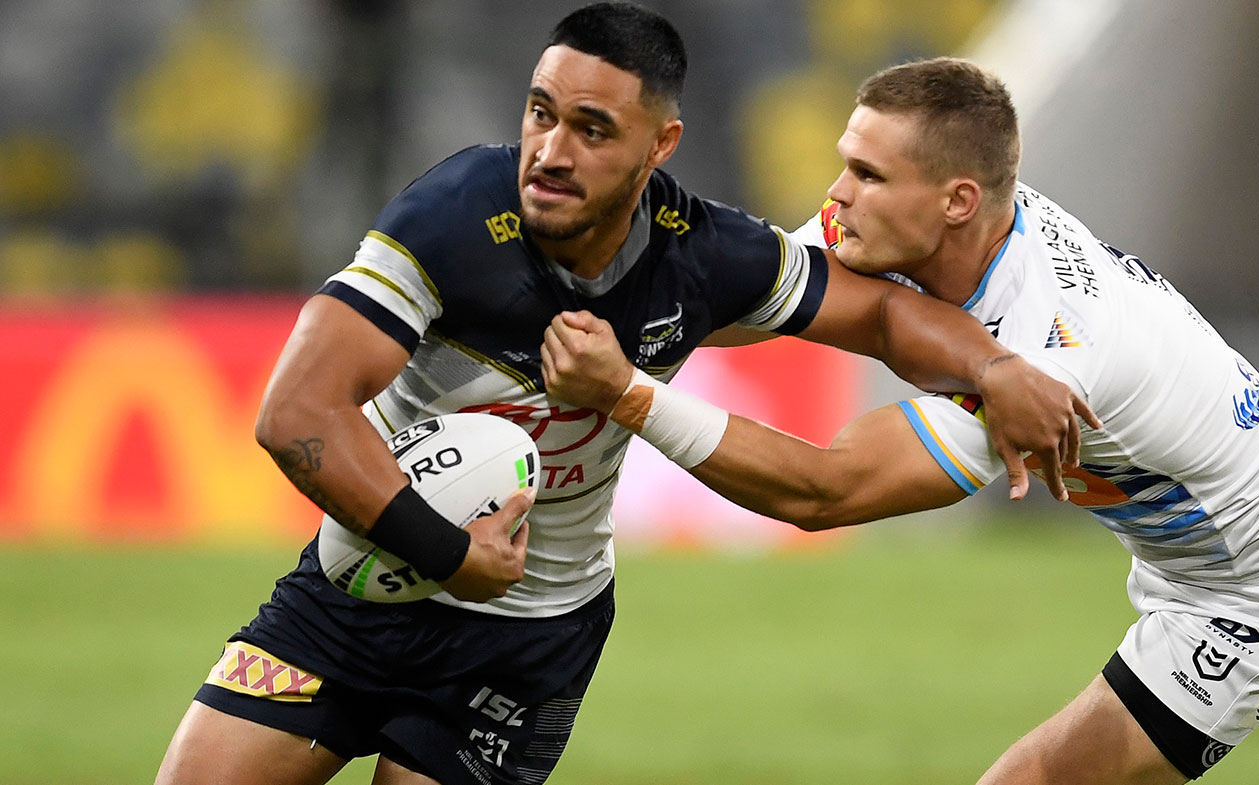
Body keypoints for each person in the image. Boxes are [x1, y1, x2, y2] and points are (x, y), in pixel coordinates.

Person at [153, 8, 1096, 785]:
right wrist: (451, 553)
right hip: (358, 592)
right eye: (539, 113)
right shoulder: (450, 219)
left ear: (660, 144)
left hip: (526, 641)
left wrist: (996, 368)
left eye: (592, 129)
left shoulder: (704, 252)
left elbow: (885, 318)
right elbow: (296, 413)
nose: (550, 152)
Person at [541, 57, 1259, 784]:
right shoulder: (927, 223)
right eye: (848, 163)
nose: (838, 194)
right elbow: (752, 302)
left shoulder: (1045, 353)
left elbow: (825, 490)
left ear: (955, 201)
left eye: (868, 176)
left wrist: (628, 394)